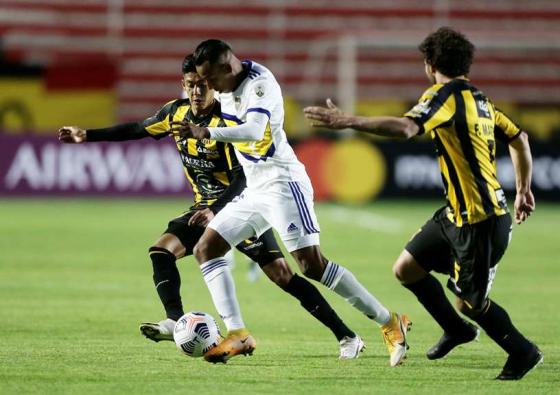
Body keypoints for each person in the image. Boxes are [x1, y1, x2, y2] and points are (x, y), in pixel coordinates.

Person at [57, 55, 364, 360]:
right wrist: (87, 135)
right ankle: (175, 320)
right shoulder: (174, 114)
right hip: (203, 209)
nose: (197, 92)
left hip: (240, 205)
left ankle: (347, 336)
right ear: (183, 85)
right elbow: (138, 128)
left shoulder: (228, 121)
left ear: (215, 86)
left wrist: (217, 209)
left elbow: (243, 177)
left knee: (282, 275)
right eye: (191, 85)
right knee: (161, 251)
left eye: (203, 85)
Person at [303, 27, 543, 380]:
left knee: (470, 303)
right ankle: (457, 330)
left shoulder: (443, 96)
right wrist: (523, 189)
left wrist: (348, 121)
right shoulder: (481, 100)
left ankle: (523, 351)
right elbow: (519, 137)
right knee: (407, 268)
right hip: (455, 215)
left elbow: (405, 128)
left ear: (429, 64)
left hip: (480, 220)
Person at [170, 40, 411, 365]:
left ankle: (389, 322)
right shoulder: (225, 84)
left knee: (312, 266)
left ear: (227, 68)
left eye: (210, 79)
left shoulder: (260, 84)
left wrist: (206, 133)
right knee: (206, 248)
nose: (208, 87)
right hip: (254, 188)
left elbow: (255, 131)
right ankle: (238, 333)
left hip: (283, 184)